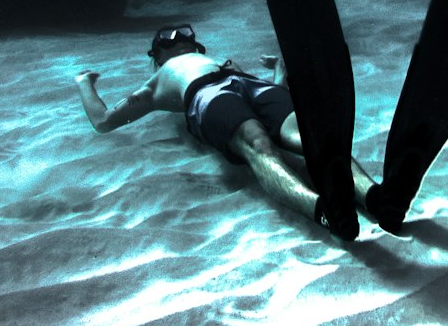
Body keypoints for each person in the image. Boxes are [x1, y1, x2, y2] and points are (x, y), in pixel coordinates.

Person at [75, 25, 378, 231]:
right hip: (204, 94)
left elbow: (262, 103)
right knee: (258, 144)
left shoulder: (218, 60)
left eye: (184, 35)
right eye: (165, 40)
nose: (177, 39)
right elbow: (103, 121)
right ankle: (323, 210)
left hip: (248, 82)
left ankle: (374, 196)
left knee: (307, 138)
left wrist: (277, 71)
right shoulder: (156, 84)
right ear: (156, 56)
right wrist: (84, 83)